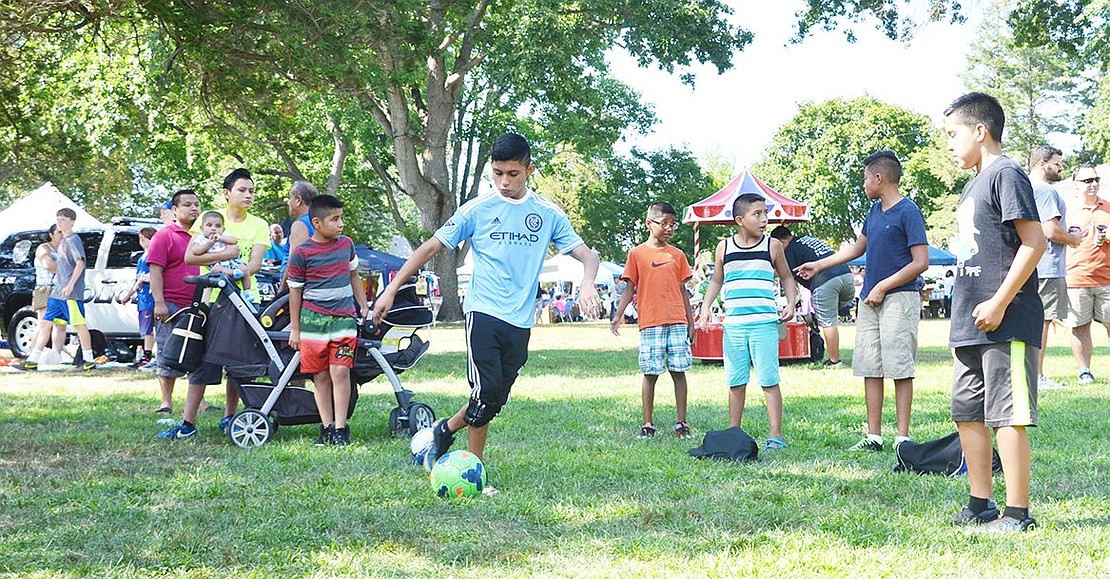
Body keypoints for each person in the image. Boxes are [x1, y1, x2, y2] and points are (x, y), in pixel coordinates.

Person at [372, 132, 601, 494]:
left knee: (493, 399)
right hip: (483, 311)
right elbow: (430, 247)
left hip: (520, 320)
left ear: (529, 169)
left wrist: (588, 283)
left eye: (513, 173)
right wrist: (391, 288)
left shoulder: (547, 214)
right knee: (485, 391)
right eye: (498, 174)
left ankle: (442, 431)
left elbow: (589, 255)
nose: (505, 182)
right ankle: (476, 473)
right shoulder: (477, 209)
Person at [943, 92, 1045, 532]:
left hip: (1007, 318)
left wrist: (1000, 301)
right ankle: (980, 503)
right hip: (970, 321)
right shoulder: (974, 182)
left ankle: (1017, 513)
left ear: (979, 131)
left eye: (952, 134)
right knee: (967, 412)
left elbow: (1035, 241)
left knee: (1007, 414)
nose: (949, 144)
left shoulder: (1007, 174)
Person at [795, 150, 928, 452]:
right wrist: (820, 265)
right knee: (871, 366)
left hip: (899, 298)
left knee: (900, 367)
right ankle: (874, 436)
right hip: (871, 299)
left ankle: (903, 438)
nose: (864, 184)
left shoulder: (908, 211)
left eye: (866, 178)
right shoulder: (874, 212)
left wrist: (883, 285)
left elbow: (921, 261)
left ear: (879, 178)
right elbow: (857, 249)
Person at [158, 169, 268, 440]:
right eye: (242, 190)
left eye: (252, 190)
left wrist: (227, 265)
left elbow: (253, 265)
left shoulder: (259, 225)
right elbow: (190, 258)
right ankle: (187, 423)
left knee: (236, 364)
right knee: (200, 361)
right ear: (227, 193)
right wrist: (228, 254)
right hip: (208, 301)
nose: (248, 195)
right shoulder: (209, 220)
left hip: (239, 303)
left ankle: (230, 416)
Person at [698, 193, 797, 451]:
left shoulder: (772, 246)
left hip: (764, 323)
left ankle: (775, 434)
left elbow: (787, 277)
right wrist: (706, 306)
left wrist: (790, 302)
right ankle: (734, 432)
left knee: (768, 379)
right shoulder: (724, 247)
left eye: (766, 213)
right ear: (740, 220)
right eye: (758, 214)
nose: (765, 219)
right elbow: (716, 281)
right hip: (734, 326)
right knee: (735, 380)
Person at [287, 194, 368, 446]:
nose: (341, 224)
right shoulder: (301, 253)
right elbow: (295, 292)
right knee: (320, 376)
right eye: (335, 219)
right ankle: (327, 426)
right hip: (313, 324)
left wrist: (363, 304)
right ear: (317, 223)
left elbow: (354, 276)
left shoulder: (346, 245)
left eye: (341, 218)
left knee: (340, 371)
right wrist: (296, 329)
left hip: (344, 320)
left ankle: (341, 428)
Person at [610, 202, 695, 439]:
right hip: (650, 321)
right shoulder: (637, 254)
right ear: (649, 223)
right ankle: (648, 423)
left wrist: (691, 322)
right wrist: (618, 315)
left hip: (677, 320)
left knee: (679, 371)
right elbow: (630, 288)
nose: (669, 228)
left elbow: (683, 291)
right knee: (650, 372)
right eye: (664, 223)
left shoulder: (677, 255)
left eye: (673, 225)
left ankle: (682, 422)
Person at [149, 190, 228, 422]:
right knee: (168, 349)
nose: (193, 208)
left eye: (196, 204)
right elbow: (155, 270)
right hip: (172, 304)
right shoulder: (165, 236)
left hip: (200, 304)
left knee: (196, 352)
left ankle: (199, 401)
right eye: (187, 205)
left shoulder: (206, 236)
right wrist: (159, 302)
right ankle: (166, 400)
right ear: (174, 210)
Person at [1029, 146, 1081, 390]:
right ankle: (1037, 377)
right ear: (1042, 164)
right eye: (1057, 163)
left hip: (1034, 264)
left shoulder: (1026, 187)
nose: (1061, 167)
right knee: (1043, 322)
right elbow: (1050, 230)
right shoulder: (1046, 191)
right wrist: (1073, 238)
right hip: (1047, 266)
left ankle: (1034, 375)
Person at [21, 208, 98, 371]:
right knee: (45, 323)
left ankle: (88, 359)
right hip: (57, 292)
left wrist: (70, 285)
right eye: (58, 220)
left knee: (79, 325)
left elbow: (80, 263)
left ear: (72, 222)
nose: (60, 223)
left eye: (63, 219)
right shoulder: (62, 241)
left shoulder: (73, 240)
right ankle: (33, 359)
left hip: (70, 294)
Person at [769, 225, 854, 367]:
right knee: (826, 314)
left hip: (825, 281)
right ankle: (815, 317)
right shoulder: (806, 240)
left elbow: (783, 274)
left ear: (781, 241)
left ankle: (834, 361)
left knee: (827, 321)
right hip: (847, 277)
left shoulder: (789, 250)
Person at [1063, 165, 1110, 385]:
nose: (1093, 183)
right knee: (1080, 326)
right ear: (1076, 185)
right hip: (1077, 277)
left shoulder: (1108, 208)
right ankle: (1084, 370)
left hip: (1107, 278)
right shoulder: (1067, 210)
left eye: (1096, 179)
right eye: (1087, 180)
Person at [22, 225, 66, 366]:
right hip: (44, 289)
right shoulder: (44, 248)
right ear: (51, 234)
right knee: (43, 324)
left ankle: (56, 356)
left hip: (60, 290)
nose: (62, 234)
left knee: (60, 324)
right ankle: (32, 354)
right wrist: (67, 268)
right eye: (59, 232)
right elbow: (49, 266)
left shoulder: (65, 249)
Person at [120, 227, 159, 372]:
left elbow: (156, 276)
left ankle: (148, 356)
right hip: (143, 298)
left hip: (151, 297)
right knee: (145, 328)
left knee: (150, 329)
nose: (142, 241)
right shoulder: (142, 257)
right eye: (140, 238)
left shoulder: (154, 256)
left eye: (145, 238)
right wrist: (129, 294)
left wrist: (144, 278)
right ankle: (146, 355)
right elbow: (139, 279)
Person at [190, 211, 250, 291]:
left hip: (232, 262)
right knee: (216, 269)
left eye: (218, 226)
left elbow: (234, 240)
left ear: (223, 229)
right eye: (209, 225)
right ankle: (232, 273)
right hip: (216, 264)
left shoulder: (224, 235)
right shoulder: (201, 238)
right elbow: (195, 251)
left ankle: (247, 291)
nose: (213, 228)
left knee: (245, 269)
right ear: (202, 228)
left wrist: (221, 238)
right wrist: (208, 244)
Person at [280, 181, 319, 292]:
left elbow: (294, 262)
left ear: (298, 200)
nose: (288, 202)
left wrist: (281, 290)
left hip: (297, 289)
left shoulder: (300, 225)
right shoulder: (319, 222)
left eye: (290, 198)